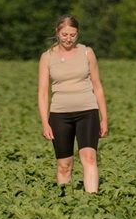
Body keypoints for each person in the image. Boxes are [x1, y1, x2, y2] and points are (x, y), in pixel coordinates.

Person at [37, 15, 108, 194]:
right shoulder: (47, 57)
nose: (69, 39)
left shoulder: (87, 53)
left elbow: (97, 87)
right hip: (60, 115)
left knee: (89, 157)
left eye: (73, 35)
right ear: (57, 33)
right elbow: (43, 93)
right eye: (65, 34)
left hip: (87, 111)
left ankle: (92, 200)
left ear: (78, 34)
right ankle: (65, 202)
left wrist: (104, 118)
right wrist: (45, 122)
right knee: (64, 165)